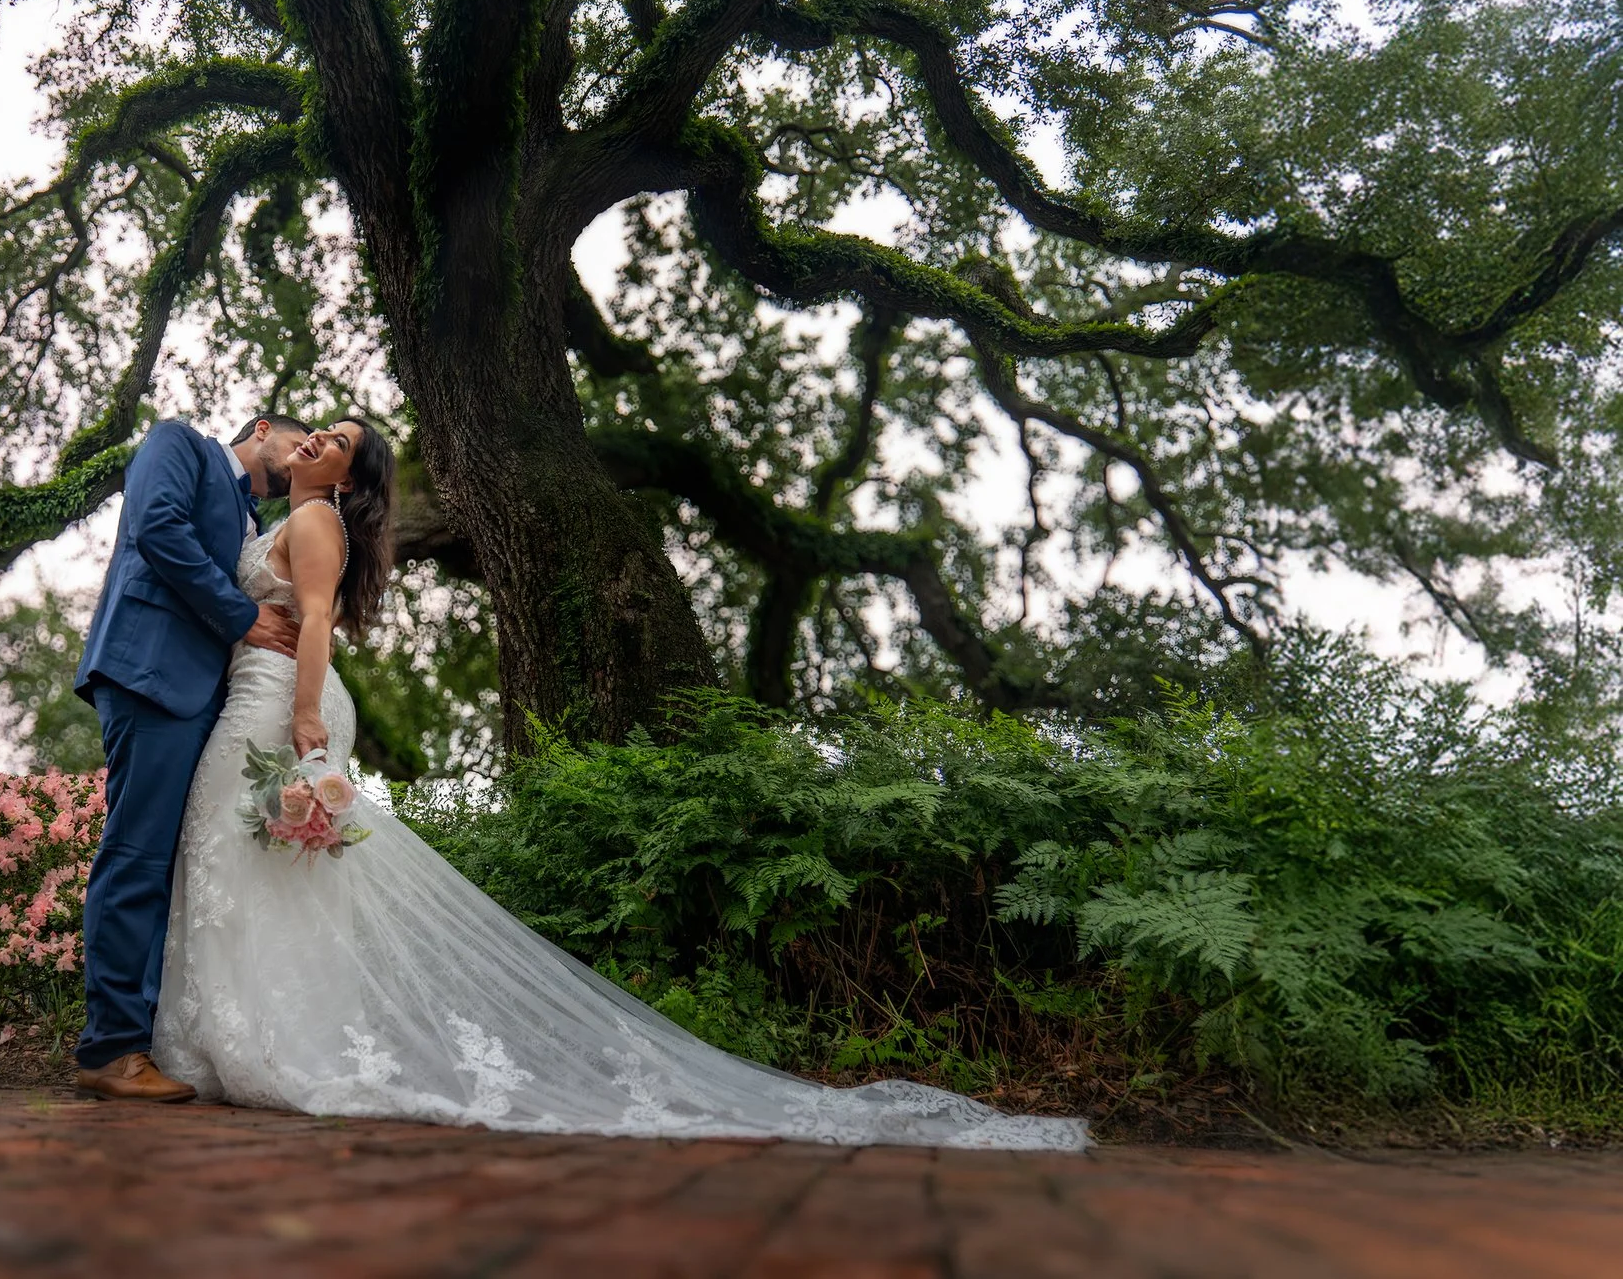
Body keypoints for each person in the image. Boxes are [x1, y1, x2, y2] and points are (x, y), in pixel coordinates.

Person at [143, 414, 1088, 1149]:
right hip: (263, 692)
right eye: (321, 430)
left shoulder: (311, 519)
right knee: (250, 864)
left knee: (243, 854)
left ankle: (270, 1043)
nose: (319, 441)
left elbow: (314, 620)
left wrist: (307, 719)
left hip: (281, 702)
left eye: (341, 445)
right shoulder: (283, 513)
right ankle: (249, 1034)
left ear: (348, 480)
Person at [70, 413, 312, 1101]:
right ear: (262, 428)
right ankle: (111, 1050)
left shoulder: (251, 514)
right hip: (150, 673)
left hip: (208, 696)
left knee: (174, 866)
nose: (301, 461)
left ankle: (148, 1038)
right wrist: (243, 617)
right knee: (139, 855)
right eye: (299, 445)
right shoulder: (180, 445)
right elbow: (158, 529)